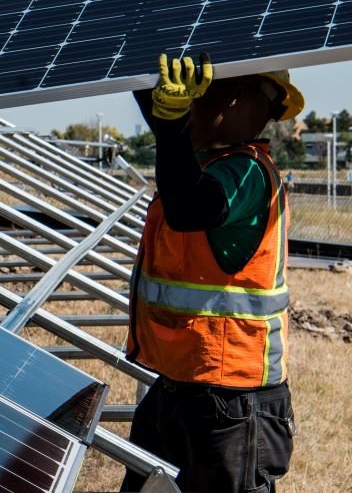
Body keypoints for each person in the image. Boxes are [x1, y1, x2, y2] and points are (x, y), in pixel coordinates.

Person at [122, 53, 302, 493]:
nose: (189, 104)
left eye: (200, 94)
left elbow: (187, 206)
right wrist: (139, 59)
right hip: (180, 389)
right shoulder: (199, 161)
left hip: (232, 402)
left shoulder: (247, 173)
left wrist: (172, 118)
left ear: (238, 99)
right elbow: (170, 132)